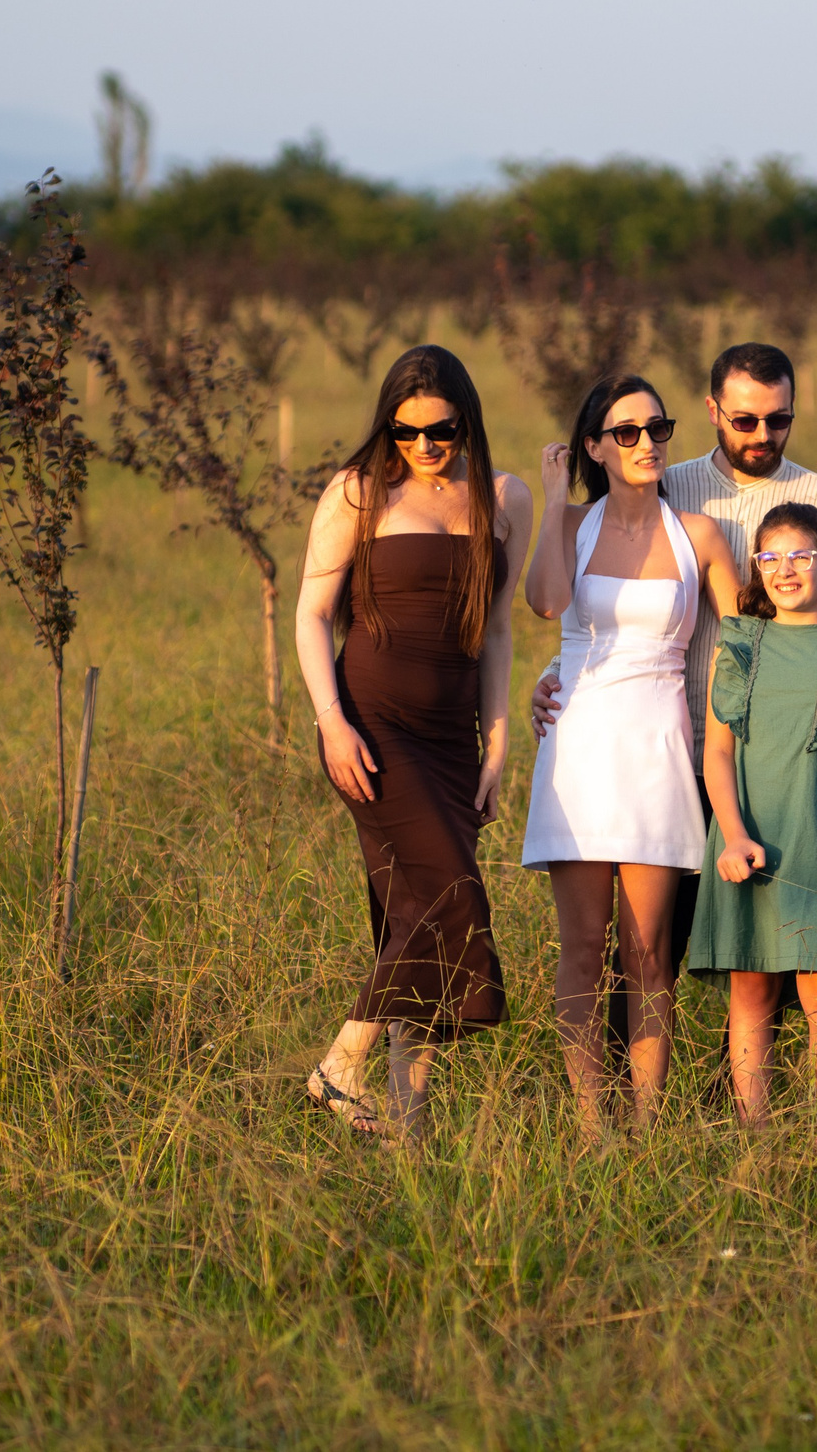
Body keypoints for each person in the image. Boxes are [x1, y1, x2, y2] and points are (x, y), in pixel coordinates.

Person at [528, 343, 817, 1052]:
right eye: (745, 419)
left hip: (721, 749)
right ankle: (613, 1106)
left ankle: (721, 1097)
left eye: (778, 419)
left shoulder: (788, 506)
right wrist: (557, 660)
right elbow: (563, 606)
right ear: (714, 411)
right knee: (614, 947)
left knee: (704, 950)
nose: (762, 433)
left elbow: (756, 618)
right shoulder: (660, 492)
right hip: (622, 744)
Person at [295, 345, 535, 1141]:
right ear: (387, 426)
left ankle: (410, 1124)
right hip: (371, 728)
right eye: (406, 431)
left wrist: (497, 744)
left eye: (442, 430)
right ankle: (340, 1065)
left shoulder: (504, 498)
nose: (425, 445)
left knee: (413, 914)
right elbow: (310, 614)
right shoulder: (358, 492)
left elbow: (496, 630)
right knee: (447, 898)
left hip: (453, 737)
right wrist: (331, 721)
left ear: (467, 421)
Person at [520, 372, 745, 1137]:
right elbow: (546, 603)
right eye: (626, 432)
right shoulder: (572, 523)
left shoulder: (698, 534)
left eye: (657, 428)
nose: (646, 443)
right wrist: (554, 498)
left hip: (658, 750)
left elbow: (749, 637)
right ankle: (593, 1126)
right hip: (578, 748)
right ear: (595, 446)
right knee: (583, 948)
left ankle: (646, 1126)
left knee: (648, 951)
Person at [691, 504, 817, 1124]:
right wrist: (731, 835)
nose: (785, 569)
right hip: (746, 837)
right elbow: (716, 753)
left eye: (801, 556)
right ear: (757, 568)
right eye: (770, 558)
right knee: (751, 986)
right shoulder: (738, 643)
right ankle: (755, 1136)